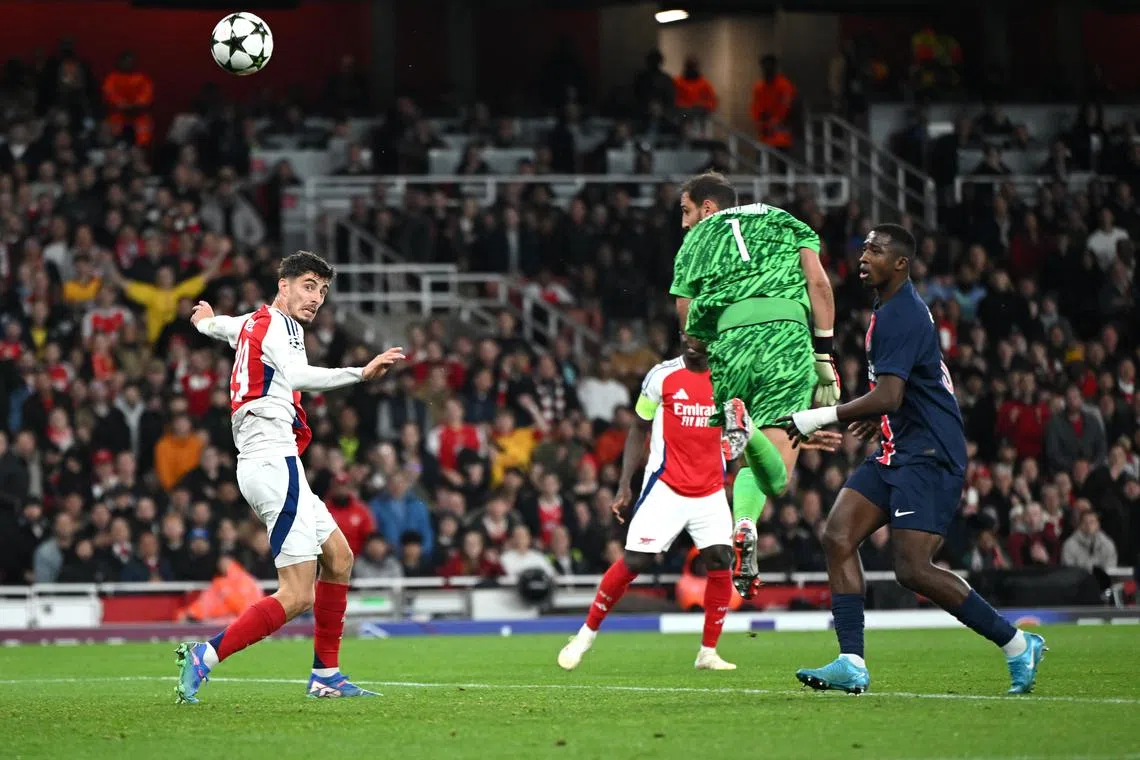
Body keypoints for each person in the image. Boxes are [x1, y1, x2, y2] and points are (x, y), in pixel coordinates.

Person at [780, 224, 1046, 696]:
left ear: (901, 264)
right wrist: (877, 411)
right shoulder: (889, 309)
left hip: (930, 452)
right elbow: (894, 395)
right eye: (863, 247)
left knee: (912, 569)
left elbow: (891, 392)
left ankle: (1017, 643)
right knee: (838, 535)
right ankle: (851, 661)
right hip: (900, 446)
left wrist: (816, 417)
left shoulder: (902, 313)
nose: (864, 255)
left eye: (877, 251)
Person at [173, 251, 405, 703]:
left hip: (271, 461)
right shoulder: (283, 326)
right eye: (308, 285)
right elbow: (299, 375)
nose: (316, 298)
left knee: (338, 558)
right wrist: (361, 371)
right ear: (283, 284)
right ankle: (207, 654)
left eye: (322, 290)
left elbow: (224, 328)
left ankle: (327, 675)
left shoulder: (254, 321)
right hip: (272, 458)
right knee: (297, 594)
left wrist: (205, 320)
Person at [557, 339, 839, 672]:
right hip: (666, 487)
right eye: (687, 338)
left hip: (709, 490)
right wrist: (623, 485)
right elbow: (638, 427)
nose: (692, 345)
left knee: (721, 559)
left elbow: (752, 426)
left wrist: (799, 438)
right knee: (635, 561)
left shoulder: (729, 379)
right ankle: (585, 635)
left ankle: (708, 651)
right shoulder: (661, 377)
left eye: (700, 339)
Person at [669, 172, 838, 599]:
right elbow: (818, 283)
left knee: (749, 464)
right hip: (786, 336)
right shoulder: (785, 221)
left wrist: (703, 344)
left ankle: (742, 523)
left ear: (708, 208)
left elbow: (686, 311)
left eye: (687, 212)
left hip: (730, 341)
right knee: (777, 479)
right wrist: (824, 355)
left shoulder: (695, 242)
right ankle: (751, 456)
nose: (685, 224)